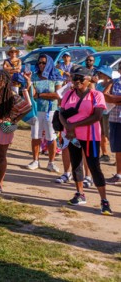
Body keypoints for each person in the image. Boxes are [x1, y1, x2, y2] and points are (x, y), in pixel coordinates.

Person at [59, 66, 112, 215]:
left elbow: (97, 116)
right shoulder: (68, 94)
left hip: (90, 136)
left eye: (79, 78)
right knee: (76, 164)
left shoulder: (96, 95)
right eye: (74, 77)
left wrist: (73, 126)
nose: (76, 81)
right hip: (72, 136)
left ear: (88, 80)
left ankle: (104, 200)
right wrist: (67, 127)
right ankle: (80, 193)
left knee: (94, 166)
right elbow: (61, 113)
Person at [27, 54, 63, 172]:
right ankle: (35, 160)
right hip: (36, 110)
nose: (41, 65)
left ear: (49, 63)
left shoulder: (55, 76)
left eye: (44, 63)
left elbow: (57, 95)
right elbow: (32, 94)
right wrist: (28, 82)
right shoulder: (34, 76)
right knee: (35, 136)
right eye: (39, 63)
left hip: (51, 110)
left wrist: (40, 95)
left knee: (51, 137)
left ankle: (51, 162)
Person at [104, 68, 121, 186]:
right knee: (118, 149)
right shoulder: (114, 82)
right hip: (115, 119)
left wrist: (113, 99)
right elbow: (105, 96)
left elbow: (109, 97)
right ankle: (119, 175)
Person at [93, 66, 113, 162]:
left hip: (109, 112)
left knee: (109, 134)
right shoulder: (99, 84)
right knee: (101, 133)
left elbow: (106, 96)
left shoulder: (112, 84)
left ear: (106, 74)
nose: (99, 74)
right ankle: (105, 154)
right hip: (100, 111)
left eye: (100, 73)